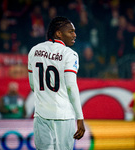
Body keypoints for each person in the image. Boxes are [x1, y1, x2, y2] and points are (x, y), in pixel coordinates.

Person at [28, 16, 85, 150]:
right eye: (70, 31)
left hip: (41, 115)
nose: (74, 34)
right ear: (58, 33)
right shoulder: (69, 54)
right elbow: (71, 86)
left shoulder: (34, 50)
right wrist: (80, 117)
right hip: (63, 116)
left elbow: (33, 86)